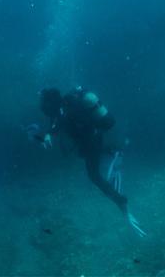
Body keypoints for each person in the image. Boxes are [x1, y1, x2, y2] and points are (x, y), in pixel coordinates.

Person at [35, 86, 146, 235]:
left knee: (94, 176)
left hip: (91, 140)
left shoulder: (63, 109)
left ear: (50, 102)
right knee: (87, 155)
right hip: (91, 139)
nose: (42, 106)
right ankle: (114, 151)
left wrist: (49, 134)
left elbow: (58, 122)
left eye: (44, 102)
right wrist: (50, 132)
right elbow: (57, 122)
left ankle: (121, 203)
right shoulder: (64, 106)